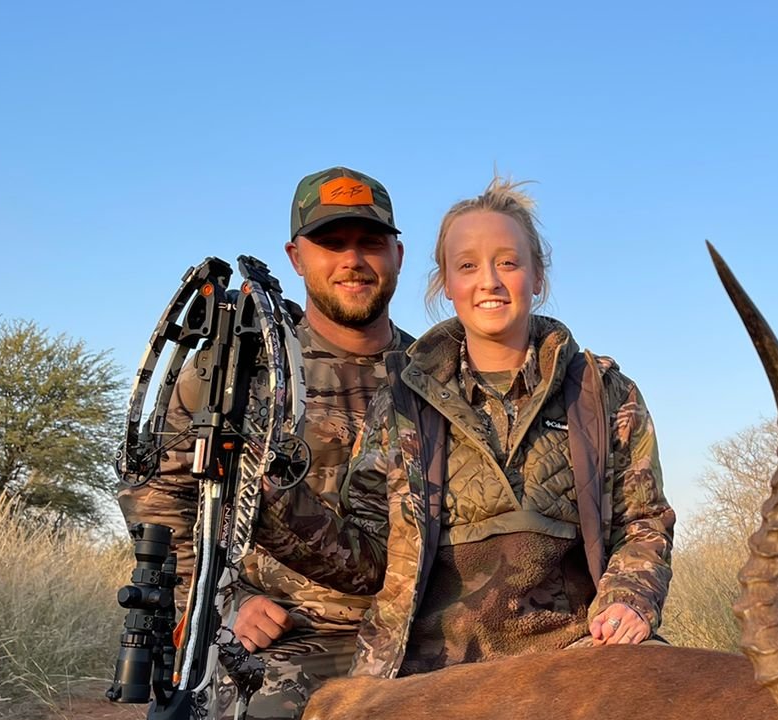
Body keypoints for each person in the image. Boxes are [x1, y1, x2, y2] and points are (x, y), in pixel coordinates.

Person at [254, 177, 674, 678]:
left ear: (538, 276)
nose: (489, 281)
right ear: (446, 283)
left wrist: (628, 599)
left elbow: (643, 521)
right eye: (468, 265)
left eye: (509, 262)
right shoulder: (402, 403)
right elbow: (369, 562)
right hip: (431, 676)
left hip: (574, 660)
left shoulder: (604, 393)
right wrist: (267, 500)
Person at [119, 166, 414, 720]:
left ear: (398, 252)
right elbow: (160, 502)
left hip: (418, 631)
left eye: (370, 242)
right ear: (296, 257)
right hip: (285, 633)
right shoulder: (233, 368)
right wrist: (225, 605)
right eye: (333, 242)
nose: (353, 260)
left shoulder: (435, 375)